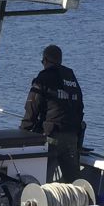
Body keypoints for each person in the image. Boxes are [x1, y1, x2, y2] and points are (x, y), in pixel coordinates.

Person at [19, 44, 85, 182]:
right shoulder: (71, 77)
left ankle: (45, 201)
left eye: (42, 61)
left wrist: (22, 132)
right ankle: (81, 201)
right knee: (73, 180)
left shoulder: (43, 78)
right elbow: (80, 107)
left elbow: (32, 107)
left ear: (46, 60)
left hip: (51, 137)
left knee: (43, 179)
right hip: (72, 137)